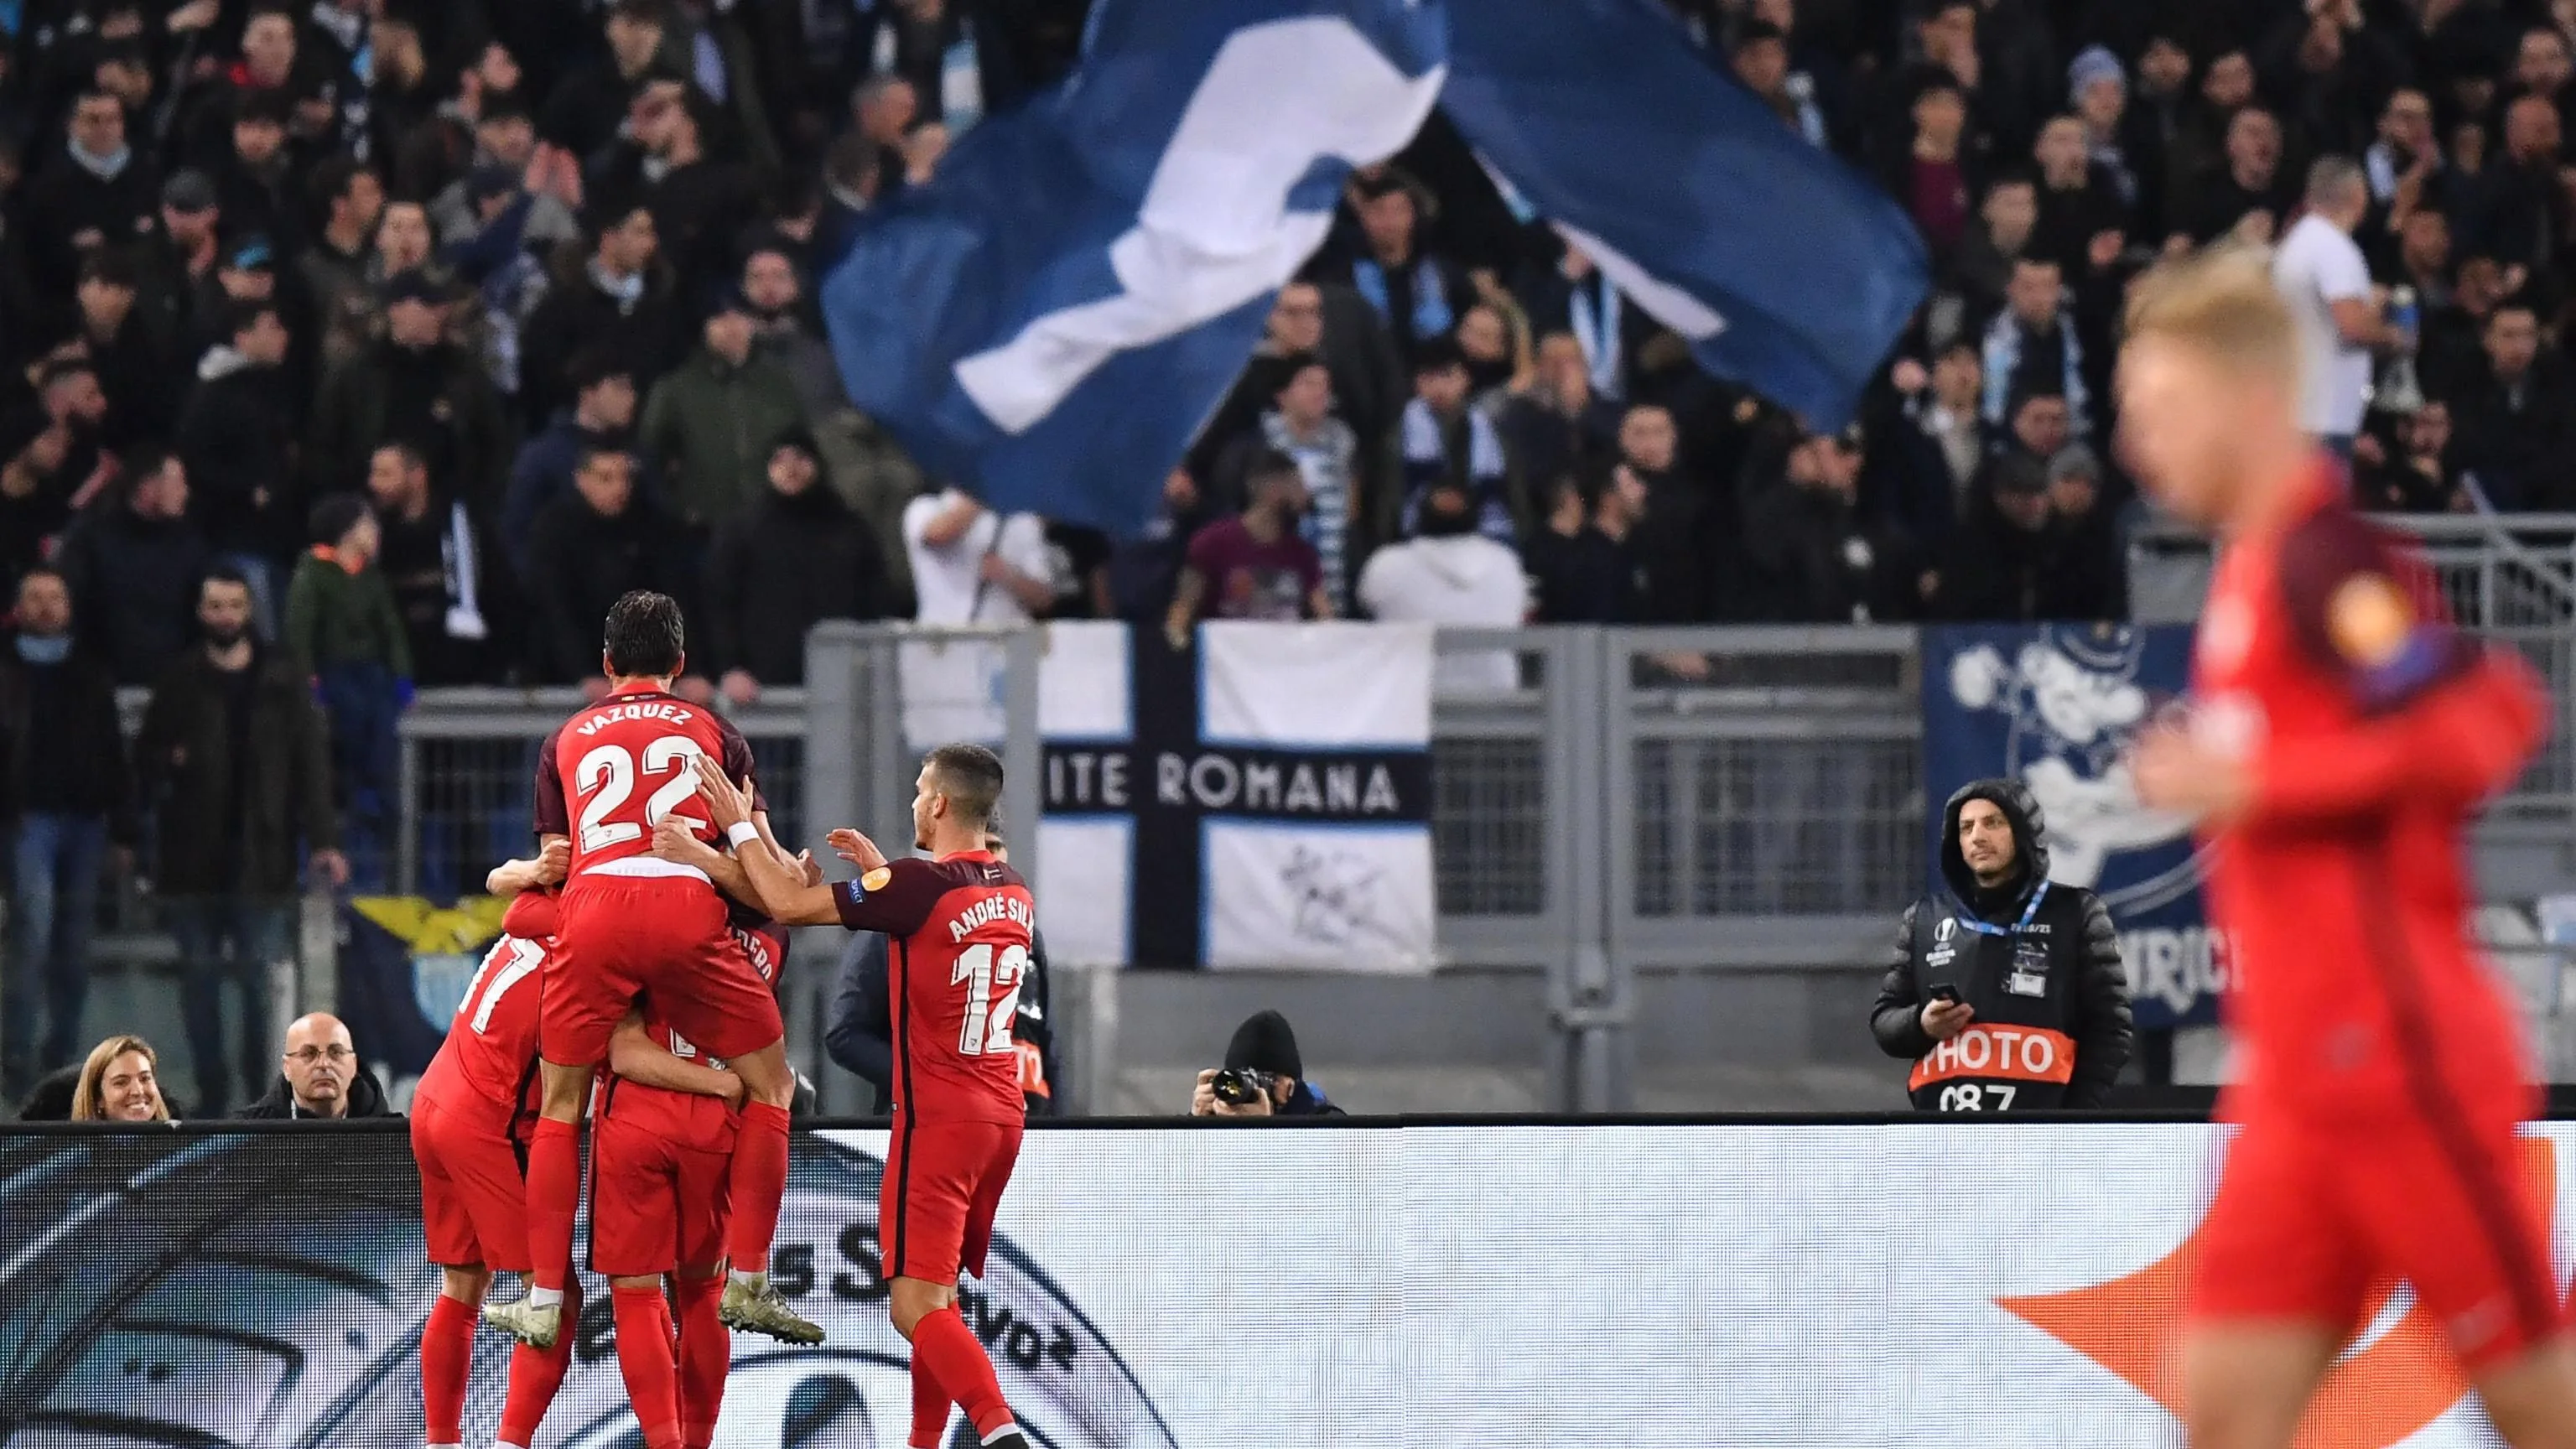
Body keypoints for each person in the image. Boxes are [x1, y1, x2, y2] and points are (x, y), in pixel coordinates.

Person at [2117, 250, 2575, 1447]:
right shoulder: (2256, 571)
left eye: (2161, 409)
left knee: (2544, 1410)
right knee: (2220, 1419)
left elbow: (2489, 719)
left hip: (2397, 1065)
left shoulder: (2331, 562)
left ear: (2253, 403)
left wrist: (2256, 781)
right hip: (2293, 1088)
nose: (2135, 442)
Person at [663, 744, 1037, 1449]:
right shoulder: (1013, 887)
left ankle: (997, 1431)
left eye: (920, 788)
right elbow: (936, 930)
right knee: (944, 1297)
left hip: (941, 1123)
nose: (913, 800)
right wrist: (879, 876)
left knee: (912, 1305)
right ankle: (924, 1443)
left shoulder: (918, 885)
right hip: (1002, 1117)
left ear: (938, 805)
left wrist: (738, 826)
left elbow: (783, 903)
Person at [480, 590, 816, 1351]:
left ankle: (540, 1296)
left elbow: (556, 866)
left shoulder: (564, 738)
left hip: (593, 913)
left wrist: (510, 879)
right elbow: (762, 876)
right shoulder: (716, 732)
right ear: (682, 664)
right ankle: (752, 1282)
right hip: (684, 910)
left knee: (563, 1105)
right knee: (775, 1086)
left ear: (605, 666)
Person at [136, 569, 346, 1114]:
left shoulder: (282, 677)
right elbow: (146, 756)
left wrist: (324, 839)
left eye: (234, 604)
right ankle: (209, 1095)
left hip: (263, 859)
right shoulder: (179, 679)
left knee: (259, 988)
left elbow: (310, 764)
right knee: (199, 990)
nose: (225, 615)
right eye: (215, 604)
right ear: (200, 611)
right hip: (192, 860)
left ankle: (261, 1098)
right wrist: (172, 761)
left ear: (249, 610)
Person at [589, 909, 786, 1449]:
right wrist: (719, 1086)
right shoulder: (773, 937)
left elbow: (623, 1050)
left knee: (635, 1296)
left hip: (639, 1115)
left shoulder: (641, 919)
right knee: (704, 1291)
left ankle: (664, 1441)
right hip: (715, 1129)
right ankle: (697, 1440)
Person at [411, 854, 579, 1449]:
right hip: (486, 1122)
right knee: (554, 1298)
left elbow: (503, 876)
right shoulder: (583, 955)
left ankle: (442, 1441)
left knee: (463, 1284)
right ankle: (511, 1443)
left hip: (435, 1099)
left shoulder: (532, 913)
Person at [1868, 780, 2132, 1113]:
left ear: (2023, 833)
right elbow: (1884, 1021)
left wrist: (2074, 1118)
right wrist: (1922, 1024)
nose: (1977, 836)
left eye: (1993, 823)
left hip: (2043, 1138)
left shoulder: (2076, 912)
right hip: (1942, 1137)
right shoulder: (1924, 918)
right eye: (1966, 828)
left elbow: (2110, 1030)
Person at [2, 566, 132, 1096]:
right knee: (33, 936)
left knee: (75, 943)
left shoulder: (90, 671)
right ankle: (17, 1056)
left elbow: (113, 753)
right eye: (35, 597)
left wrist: (122, 829)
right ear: (18, 606)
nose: (47, 607)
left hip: (85, 820)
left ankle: (62, 1056)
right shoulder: (5, 668)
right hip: (26, 818)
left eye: (55, 597)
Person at [823, 827, 1056, 1115]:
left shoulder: (1025, 925)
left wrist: (1062, 1122)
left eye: (993, 846)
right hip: (934, 1118)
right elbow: (845, 1034)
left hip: (1030, 1119)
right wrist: (930, 1084)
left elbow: (1047, 1038)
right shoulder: (895, 928)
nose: (983, 858)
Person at [2270, 156, 2400, 458]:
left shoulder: (2298, 242)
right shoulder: (2333, 248)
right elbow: (2351, 325)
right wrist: (2395, 335)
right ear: (2358, 194)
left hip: (2299, 411)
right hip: (2325, 417)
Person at [1166, 450, 1331, 642]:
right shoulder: (1212, 543)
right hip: (1227, 663)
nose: (1305, 498)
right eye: (1298, 487)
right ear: (1273, 490)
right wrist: (1178, 649)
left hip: (1284, 663)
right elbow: (1182, 610)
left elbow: (1325, 617)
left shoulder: (1303, 554)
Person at [1187, 1010, 1345, 1117]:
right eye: (1243, 1078)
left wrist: (1266, 1130)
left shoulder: (1328, 1124)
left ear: (1290, 1086)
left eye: (1264, 1080)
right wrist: (1194, 1125)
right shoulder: (1219, 1111)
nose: (1253, 1089)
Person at [236, 1012, 390, 1119]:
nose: (324, 1064)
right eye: (308, 1054)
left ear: (354, 1065)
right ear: (287, 1068)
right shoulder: (244, 1137)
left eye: (336, 1053)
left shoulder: (394, 1140)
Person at [69, 1034, 170, 1123]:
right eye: (121, 1082)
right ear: (98, 1097)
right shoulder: (74, 1145)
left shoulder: (182, 1144)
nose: (138, 1091)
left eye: (145, 1079)